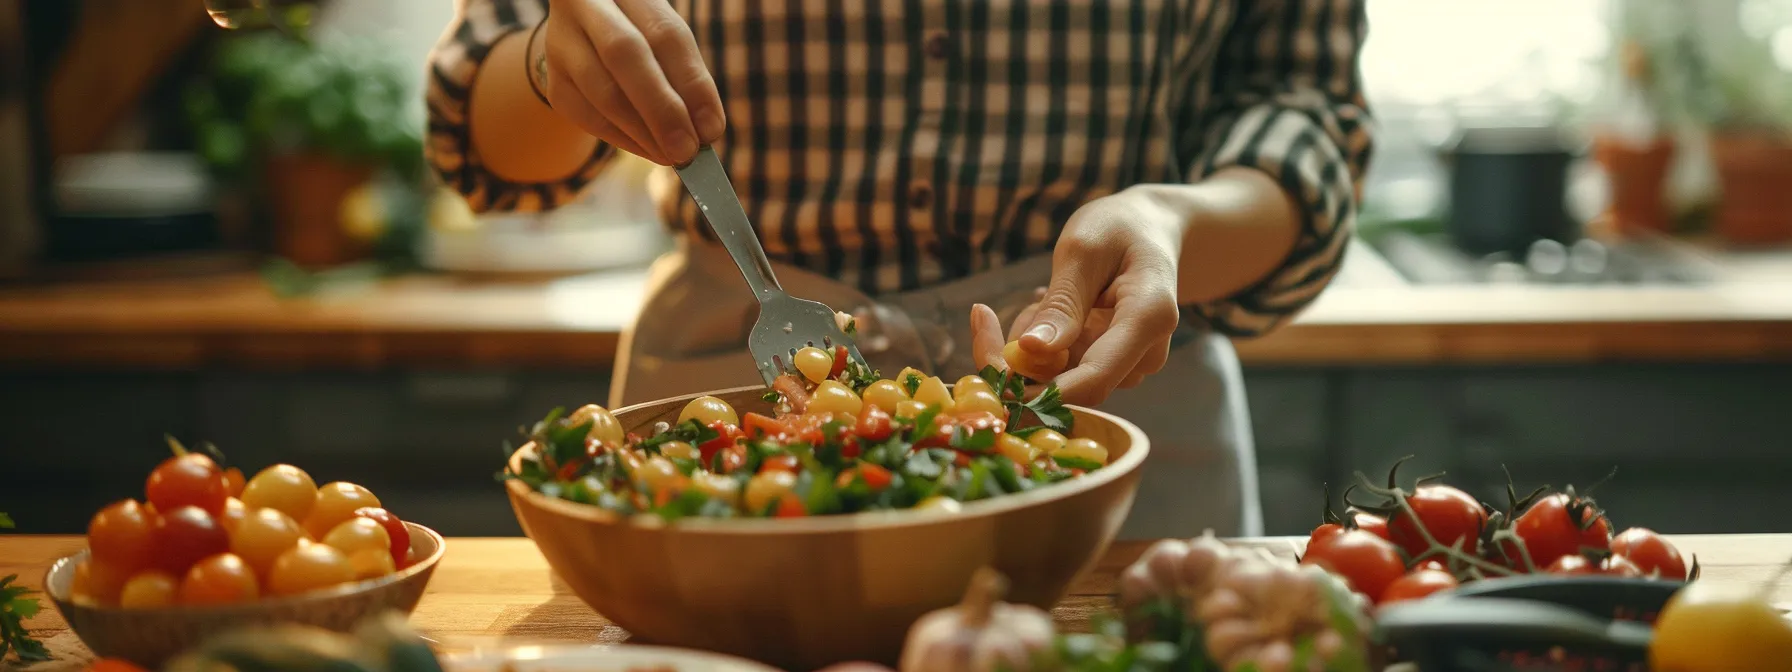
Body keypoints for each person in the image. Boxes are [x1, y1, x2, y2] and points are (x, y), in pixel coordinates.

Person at [426, 0, 1372, 539]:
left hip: (1106, 412)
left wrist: (1172, 220)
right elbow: (478, 131)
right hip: (721, 431)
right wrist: (557, 57)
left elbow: (1299, 108)